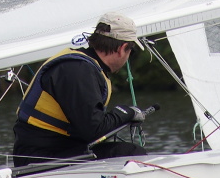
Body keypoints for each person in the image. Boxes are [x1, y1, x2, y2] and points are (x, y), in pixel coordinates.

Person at [12, 11, 149, 168]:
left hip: (58, 150)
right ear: (122, 48)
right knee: (131, 153)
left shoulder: (84, 66)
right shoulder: (78, 70)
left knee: (125, 152)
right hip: (40, 159)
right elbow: (93, 130)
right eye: (130, 51)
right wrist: (126, 113)